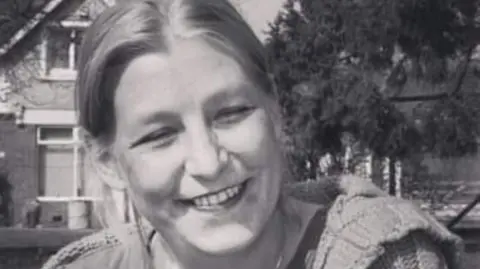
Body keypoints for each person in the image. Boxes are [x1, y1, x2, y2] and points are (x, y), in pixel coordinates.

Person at [41, 0, 464, 268]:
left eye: (231, 113)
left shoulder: (382, 258)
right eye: (159, 135)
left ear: (275, 111)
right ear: (107, 162)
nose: (208, 162)